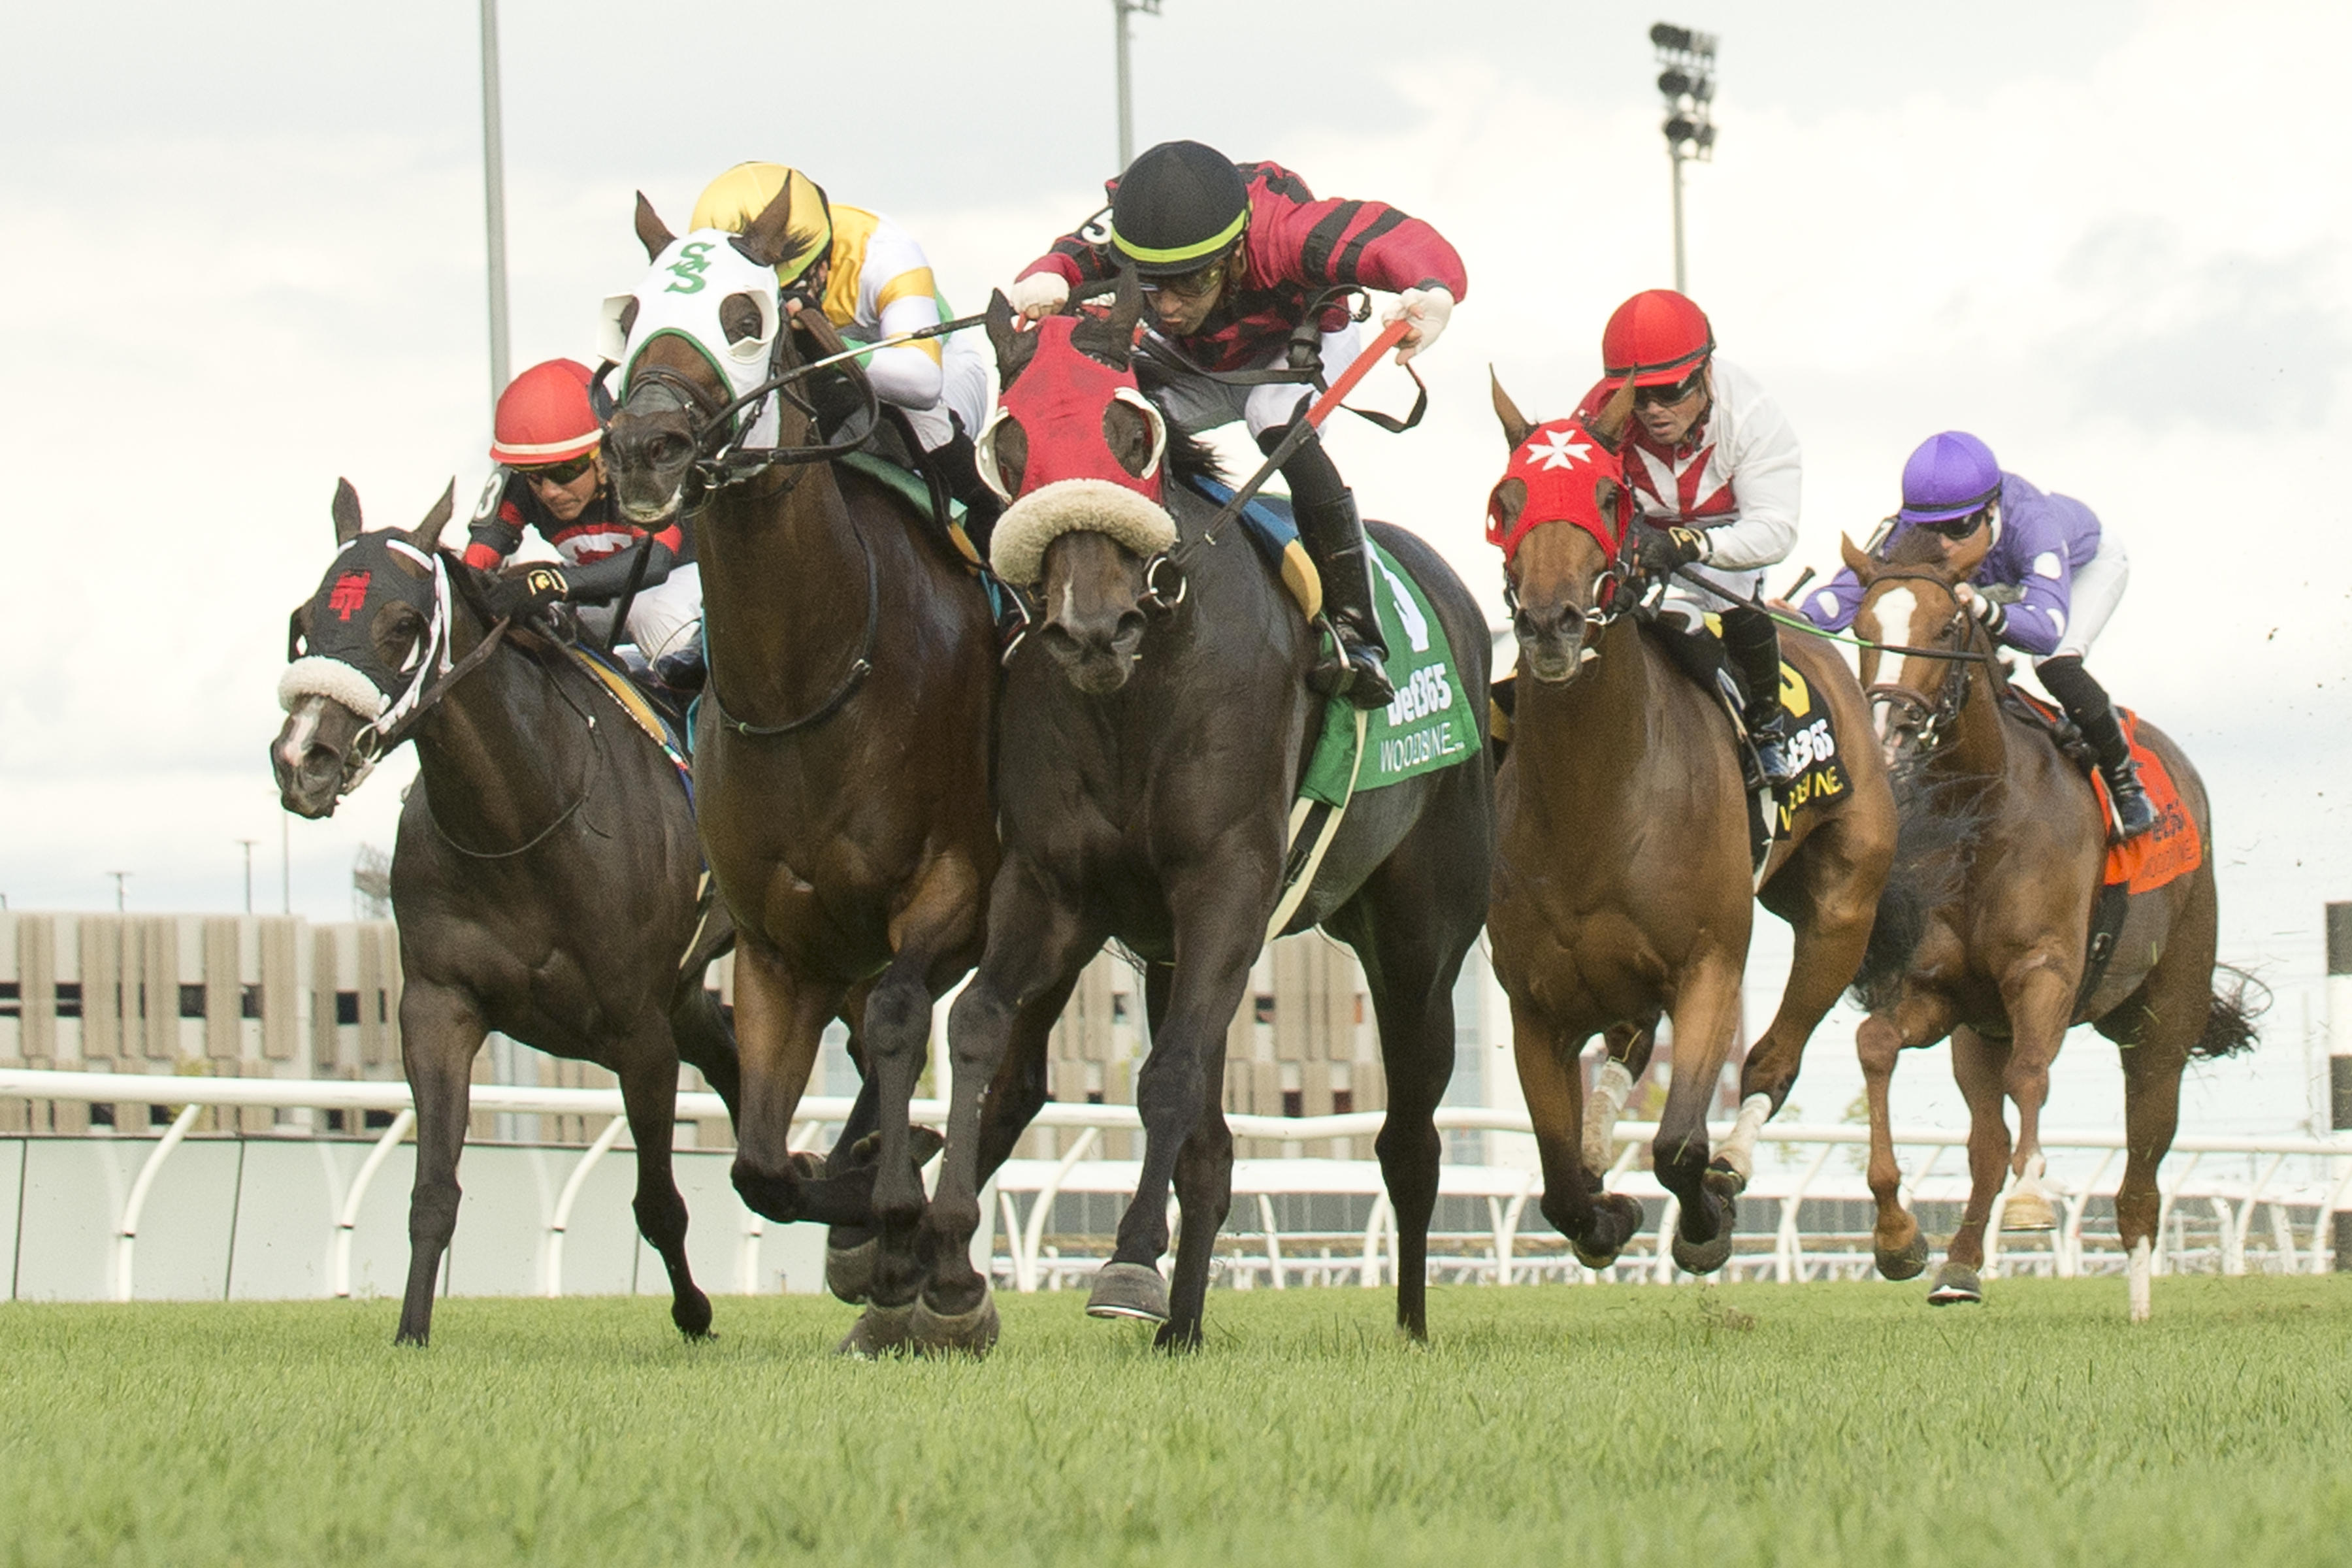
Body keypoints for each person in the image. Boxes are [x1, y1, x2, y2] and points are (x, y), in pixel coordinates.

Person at [1007, 139, 1465, 709]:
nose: (1168, 305)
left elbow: (1396, 239)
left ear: (1236, 253)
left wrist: (1433, 289)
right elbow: (1070, 255)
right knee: (1120, 430)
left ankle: (1356, 632)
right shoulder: (1126, 230)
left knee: (1276, 422)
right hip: (1190, 358)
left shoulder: (1288, 234)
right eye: (1150, 286)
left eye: (1193, 282)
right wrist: (1048, 276)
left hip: (1290, 351)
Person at [1801, 431, 2155, 838]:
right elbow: (1858, 585)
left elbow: (2046, 630)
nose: (1945, 544)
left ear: (1991, 510)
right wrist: (1802, 619)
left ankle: (2125, 781)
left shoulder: (2032, 526)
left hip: (2079, 573)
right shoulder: (1918, 531)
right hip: (1993, 586)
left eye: (1959, 528)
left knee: (2055, 665)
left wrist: (1986, 609)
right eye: (1930, 529)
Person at [689, 161, 1002, 544]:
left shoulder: (886, 253)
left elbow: (922, 382)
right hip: (838, 389)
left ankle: (992, 536)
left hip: (943, 376)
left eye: (786, 291)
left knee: (914, 412)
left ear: (823, 259)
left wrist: (830, 342)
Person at [1578, 288, 1801, 786]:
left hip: (1723, 540)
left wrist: (1693, 547)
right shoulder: (1597, 416)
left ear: (1705, 373)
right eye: (1640, 395)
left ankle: (1766, 726)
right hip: (1639, 533)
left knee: (1739, 609)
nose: (1653, 410)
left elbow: (1775, 529)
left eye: (1671, 390)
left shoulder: (1753, 416)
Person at [468, 359, 702, 676]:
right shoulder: (518, 484)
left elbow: (655, 562)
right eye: (532, 475)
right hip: (594, 592)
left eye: (564, 471)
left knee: (648, 611)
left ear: (604, 456)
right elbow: (472, 567)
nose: (549, 491)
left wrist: (554, 582)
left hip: (684, 584)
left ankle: (701, 710)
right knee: (530, 624)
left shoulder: (636, 462)